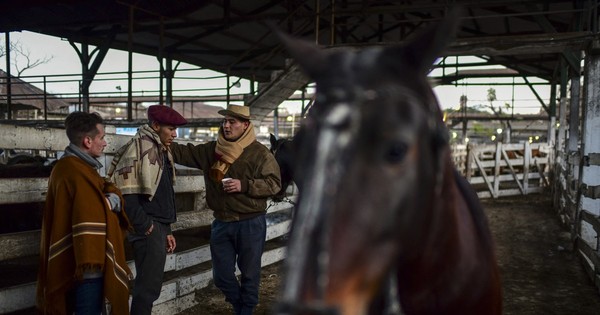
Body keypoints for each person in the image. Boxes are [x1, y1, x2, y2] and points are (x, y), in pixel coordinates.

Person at [170, 104, 281, 315]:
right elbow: (183, 152)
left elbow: (274, 184)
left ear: (245, 125)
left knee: (249, 272)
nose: (227, 126)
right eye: (225, 121)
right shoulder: (212, 151)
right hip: (222, 222)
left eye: (232, 122)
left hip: (250, 221)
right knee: (221, 276)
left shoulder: (260, 153)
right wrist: (158, 137)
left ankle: (245, 310)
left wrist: (245, 185)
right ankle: (240, 306)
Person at [36, 111, 132, 314]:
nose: (105, 143)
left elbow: (103, 194)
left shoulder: (79, 168)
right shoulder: (73, 170)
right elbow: (94, 210)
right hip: (86, 262)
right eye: (102, 137)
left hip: (82, 258)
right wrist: (110, 200)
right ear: (88, 141)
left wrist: (109, 197)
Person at [107, 104, 187, 315]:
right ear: (156, 125)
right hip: (148, 227)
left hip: (157, 226)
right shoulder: (140, 149)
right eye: (170, 128)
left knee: (150, 285)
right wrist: (147, 226)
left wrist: (167, 229)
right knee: (147, 287)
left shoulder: (160, 150)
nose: (174, 134)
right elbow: (125, 193)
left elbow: (162, 194)